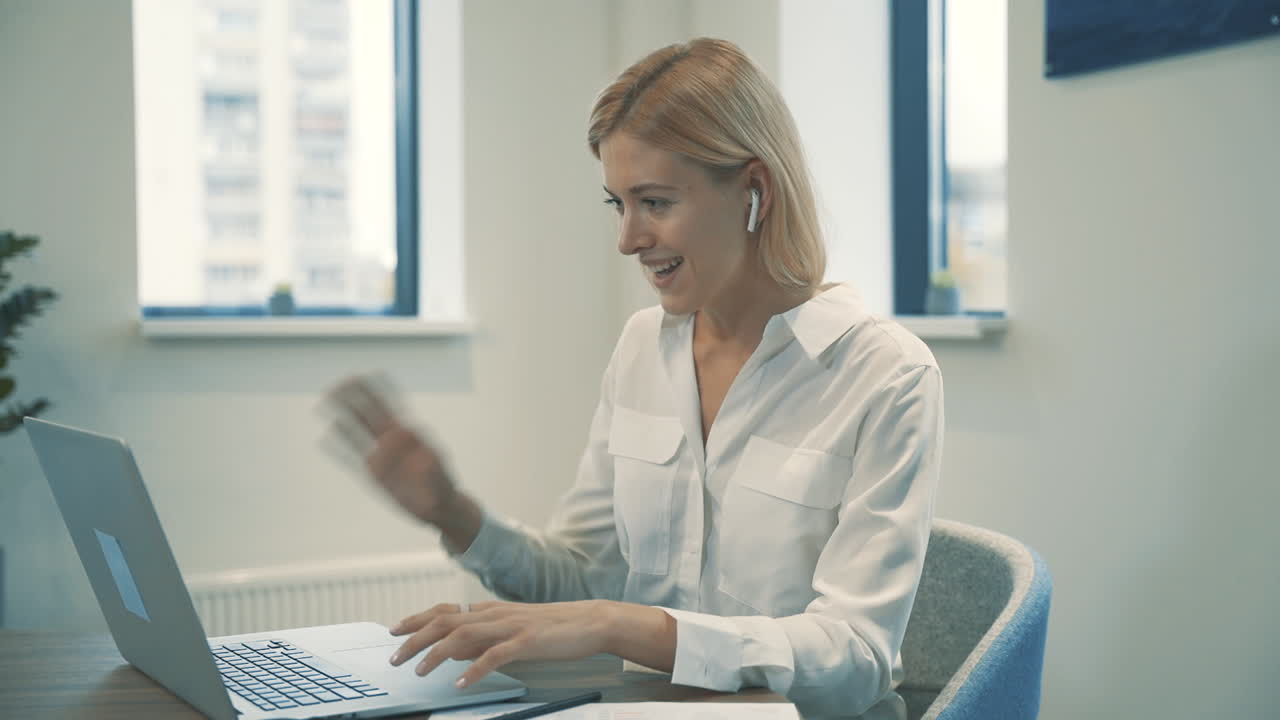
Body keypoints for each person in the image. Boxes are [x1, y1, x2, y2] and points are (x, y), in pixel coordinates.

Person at [325, 37, 942, 720]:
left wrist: (623, 626)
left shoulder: (887, 375)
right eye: (617, 204)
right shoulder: (643, 347)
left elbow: (853, 661)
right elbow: (584, 581)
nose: (628, 238)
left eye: (654, 202)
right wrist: (453, 513)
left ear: (754, 191)